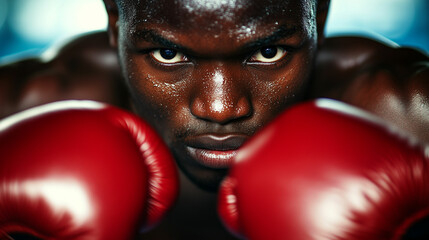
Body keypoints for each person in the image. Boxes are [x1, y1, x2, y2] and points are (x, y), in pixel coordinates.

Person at [1, 0, 428, 239]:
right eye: (168, 55)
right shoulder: (21, 117)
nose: (221, 109)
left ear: (319, 14)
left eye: (267, 53)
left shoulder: (403, 116)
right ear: (116, 21)